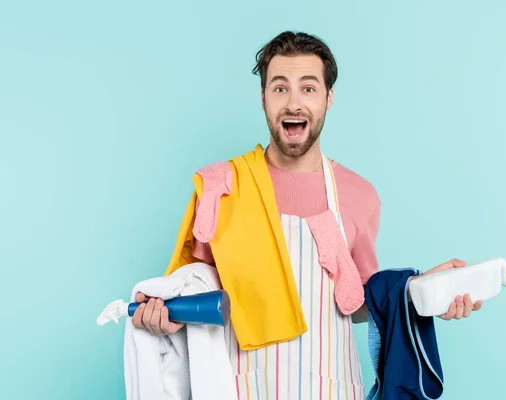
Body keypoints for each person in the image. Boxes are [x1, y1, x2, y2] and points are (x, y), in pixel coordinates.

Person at [131, 31, 483, 398]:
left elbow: (359, 304)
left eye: (309, 88)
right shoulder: (224, 187)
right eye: (280, 88)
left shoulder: (358, 195)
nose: (293, 103)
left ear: (328, 98)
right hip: (242, 388)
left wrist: (422, 292)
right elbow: (196, 295)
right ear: (263, 98)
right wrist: (164, 317)